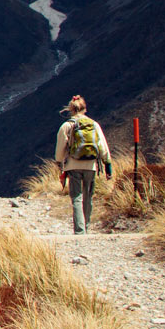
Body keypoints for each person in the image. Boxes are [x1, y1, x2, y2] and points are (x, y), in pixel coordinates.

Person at [54, 95, 113, 234]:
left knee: (76, 197)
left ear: (70, 109)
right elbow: (103, 146)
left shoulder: (67, 125)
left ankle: (80, 231)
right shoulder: (94, 125)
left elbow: (60, 148)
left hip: (73, 166)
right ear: (85, 108)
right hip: (91, 166)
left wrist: (59, 163)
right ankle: (86, 226)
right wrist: (108, 165)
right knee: (88, 196)